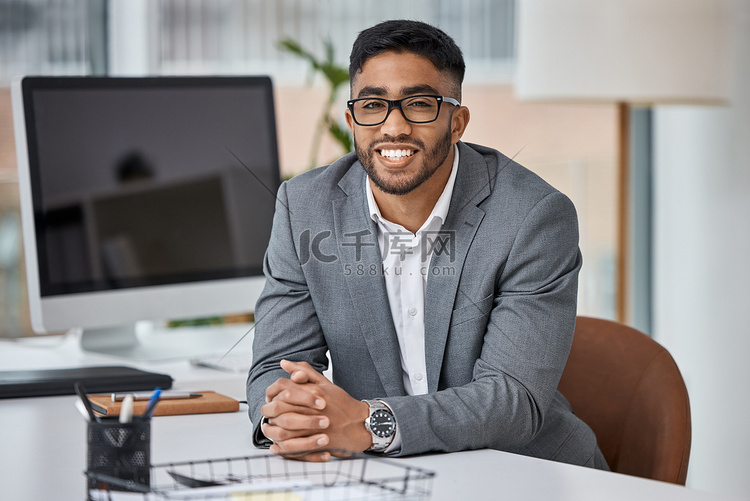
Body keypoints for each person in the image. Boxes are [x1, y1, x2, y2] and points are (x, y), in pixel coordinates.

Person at [246, 19, 608, 470]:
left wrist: (368, 423)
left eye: (419, 104)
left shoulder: (533, 217)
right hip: (384, 474)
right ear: (352, 119)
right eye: (373, 104)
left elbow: (513, 402)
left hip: (522, 471)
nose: (393, 127)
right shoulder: (304, 207)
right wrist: (289, 416)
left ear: (457, 122)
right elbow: (275, 368)